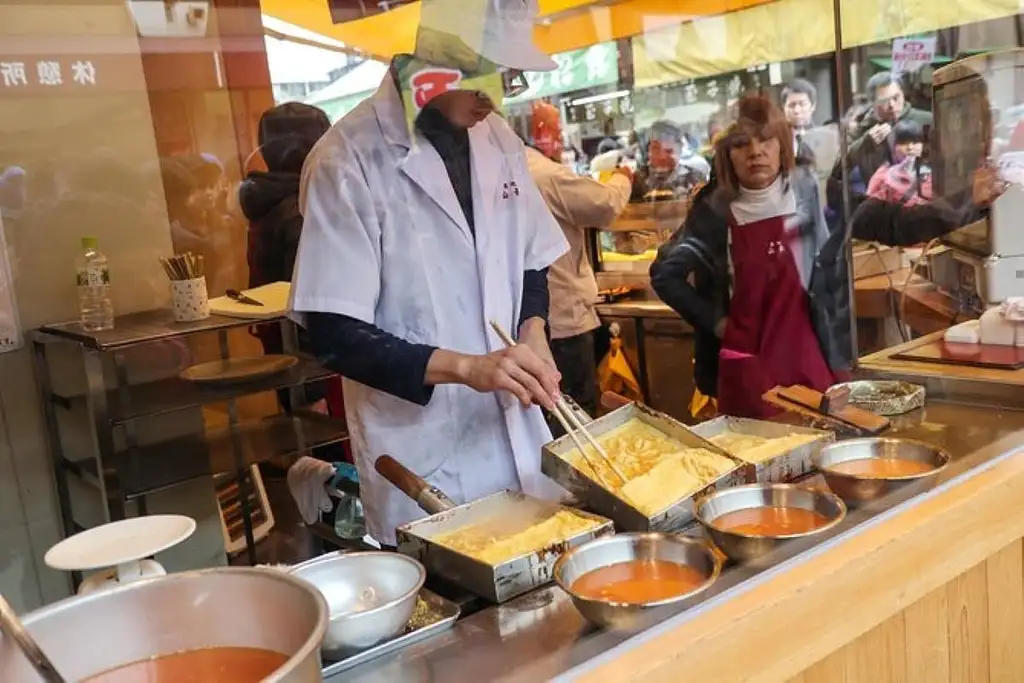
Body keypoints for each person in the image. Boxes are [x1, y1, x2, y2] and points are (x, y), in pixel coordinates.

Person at [289, 0, 570, 547]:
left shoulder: (500, 142)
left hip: (518, 435)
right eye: (487, 71)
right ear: (438, 55)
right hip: (423, 458)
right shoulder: (346, 160)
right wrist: (468, 367)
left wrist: (534, 332)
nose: (499, 94)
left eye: (506, 75)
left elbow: (530, 260)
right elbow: (333, 335)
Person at [651, 96, 1004, 418]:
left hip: (815, 356)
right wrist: (717, 324)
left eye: (766, 140)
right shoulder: (713, 213)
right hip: (747, 370)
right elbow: (665, 274)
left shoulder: (818, 197)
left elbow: (895, 222)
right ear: (727, 155)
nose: (755, 152)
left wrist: (968, 201)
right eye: (742, 144)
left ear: (782, 145)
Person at [523, 100, 632, 422]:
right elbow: (606, 204)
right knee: (575, 413)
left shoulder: (503, 173)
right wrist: (623, 176)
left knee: (548, 414)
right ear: (542, 134)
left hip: (532, 322)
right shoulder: (545, 174)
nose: (559, 138)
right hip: (563, 319)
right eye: (556, 130)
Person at [239, 102, 340, 418]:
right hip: (316, 369)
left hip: (286, 358)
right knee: (332, 462)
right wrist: (317, 389)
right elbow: (314, 306)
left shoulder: (269, 197)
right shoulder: (301, 207)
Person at [828, 72, 933, 212]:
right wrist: (865, 143)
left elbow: (949, 154)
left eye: (896, 97)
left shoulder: (925, 120)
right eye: (884, 101)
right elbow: (839, 168)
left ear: (903, 93)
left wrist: (926, 150)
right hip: (880, 207)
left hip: (922, 204)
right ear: (873, 103)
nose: (892, 105)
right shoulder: (862, 129)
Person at [631, 120, 708, 201]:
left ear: (679, 150)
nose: (662, 156)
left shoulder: (695, 178)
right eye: (656, 149)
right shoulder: (635, 181)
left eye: (669, 150)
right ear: (648, 150)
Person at [865, 119, 932, 206]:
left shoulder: (931, 173)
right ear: (893, 146)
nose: (910, 147)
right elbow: (870, 207)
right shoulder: (882, 176)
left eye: (915, 142)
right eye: (904, 143)